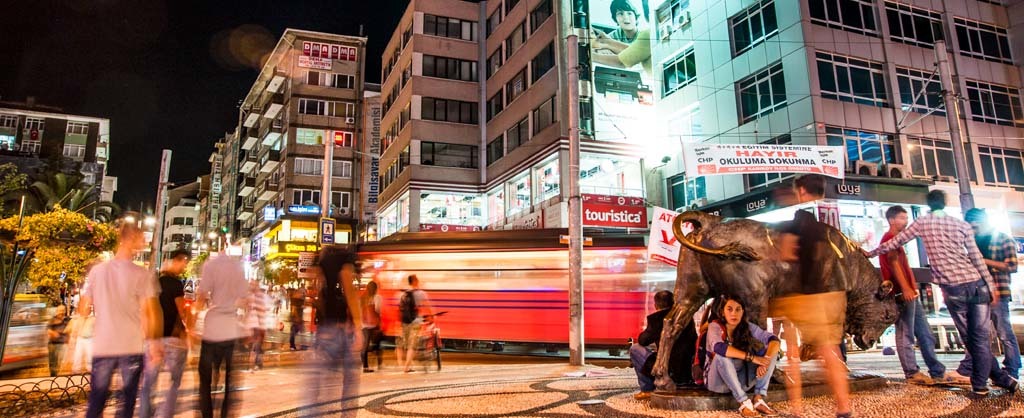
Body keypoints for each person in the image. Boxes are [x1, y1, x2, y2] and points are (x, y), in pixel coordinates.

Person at [866, 190, 1017, 395]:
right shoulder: (960, 225)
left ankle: (982, 384)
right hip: (977, 283)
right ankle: (998, 380)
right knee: (980, 338)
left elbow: (893, 243)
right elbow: (976, 259)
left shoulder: (922, 223)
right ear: (944, 203)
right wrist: (990, 285)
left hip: (954, 288)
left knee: (971, 339)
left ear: (929, 204)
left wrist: (869, 253)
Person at [771, 174, 852, 418]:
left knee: (792, 351)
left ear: (802, 191)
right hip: (832, 295)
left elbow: (785, 257)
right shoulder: (823, 224)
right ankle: (843, 407)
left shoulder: (797, 221)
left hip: (802, 297)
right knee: (831, 352)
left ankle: (796, 408)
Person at [79, 219, 163, 418]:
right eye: (141, 236)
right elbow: (149, 312)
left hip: (103, 345)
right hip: (130, 346)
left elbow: (83, 309)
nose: (144, 240)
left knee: (96, 401)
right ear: (131, 238)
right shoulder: (141, 274)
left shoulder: (97, 271)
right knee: (126, 403)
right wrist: (154, 343)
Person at [879, 206, 952, 386]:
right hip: (901, 293)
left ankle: (937, 371)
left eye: (906, 218)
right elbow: (894, 264)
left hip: (910, 292)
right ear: (891, 220)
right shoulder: (889, 239)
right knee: (906, 333)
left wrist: (912, 287)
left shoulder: (898, 240)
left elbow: (904, 267)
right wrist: (905, 288)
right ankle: (911, 372)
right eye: (902, 218)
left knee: (925, 333)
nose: (906, 221)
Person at [959, 208, 1020, 379]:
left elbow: (1012, 266)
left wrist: (983, 261)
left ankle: (1012, 369)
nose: (973, 229)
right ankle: (970, 368)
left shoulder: (1003, 239)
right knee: (977, 333)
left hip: (999, 291)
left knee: (1004, 333)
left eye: (975, 225)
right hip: (976, 293)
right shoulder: (970, 242)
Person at [703, 295, 780, 417]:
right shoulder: (715, 326)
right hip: (718, 383)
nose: (734, 313)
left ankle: (758, 398)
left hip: (740, 380)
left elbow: (774, 339)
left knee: (771, 350)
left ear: (742, 312)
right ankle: (743, 402)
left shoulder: (747, 326)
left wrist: (766, 360)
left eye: (738, 309)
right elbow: (719, 347)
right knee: (721, 356)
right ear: (722, 312)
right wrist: (753, 358)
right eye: (729, 309)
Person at [306, 247, 362, 417]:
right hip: (341, 330)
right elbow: (349, 290)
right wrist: (358, 326)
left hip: (325, 329)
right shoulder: (346, 260)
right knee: (350, 377)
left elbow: (318, 295)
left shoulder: (322, 261)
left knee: (324, 378)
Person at [195, 253, 250, 418]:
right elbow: (245, 300)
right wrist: (246, 324)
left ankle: (207, 414)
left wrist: (191, 321)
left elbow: (202, 295)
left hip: (212, 329)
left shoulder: (210, 265)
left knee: (205, 379)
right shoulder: (238, 267)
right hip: (230, 329)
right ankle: (226, 414)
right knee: (230, 380)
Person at [139, 249, 192, 418]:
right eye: (184, 262)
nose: (184, 266)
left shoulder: (155, 282)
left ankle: (145, 413)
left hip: (153, 337)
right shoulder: (175, 284)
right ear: (179, 260)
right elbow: (182, 310)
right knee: (174, 381)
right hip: (173, 339)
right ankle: (164, 415)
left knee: (149, 381)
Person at [629, 290, 698, 400]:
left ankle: (647, 389)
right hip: (687, 371)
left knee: (635, 348)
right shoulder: (686, 318)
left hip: (668, 370)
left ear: (656, 305)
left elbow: (643, 340)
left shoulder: (657, 318)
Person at [397, 274, 433, 373]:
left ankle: (409, 364)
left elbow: (399, 308)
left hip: (404, 321)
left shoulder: (403, 293)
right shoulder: (421, 293)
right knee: (412, 346)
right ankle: (406, 367)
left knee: (407, 344)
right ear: (415, 281)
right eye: (417, 279)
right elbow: (428, 306)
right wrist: (432, 317)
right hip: (415, 321)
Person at [244, 282, 271, 371]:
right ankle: (256, 364)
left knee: (257, 346)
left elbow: (263, 310)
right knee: (255, 346)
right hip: (254, 325)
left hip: (258, 325)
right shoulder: (252, 297)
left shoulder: (260, 297)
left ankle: (257, 364)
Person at [361, 280, 384, 373]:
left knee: (365, 346)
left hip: (364, 325)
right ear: (376, 289)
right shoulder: (377, 297)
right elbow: (378, 310)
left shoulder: (363, 298)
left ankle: (365, 367)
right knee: (377, 344)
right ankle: (379, 364)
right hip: (374, 325)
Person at [47, 304, 70, 377]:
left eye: (63, 310)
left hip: (63, 344)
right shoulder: (52, 320)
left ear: (65, 311)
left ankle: (59, 376)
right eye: (60, 310)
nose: (61, 312)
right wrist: (53, 333)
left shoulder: (68, 320)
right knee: (53, 362)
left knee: (61, 362)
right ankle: (53, 376)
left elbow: (72, 328)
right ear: (57, 311)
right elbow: (48, 330)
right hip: (53, 343)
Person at [289, 286, 306, 350]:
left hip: (298, 318)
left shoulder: (299, 300)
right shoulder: (296, 300)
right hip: (296, 318)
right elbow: (294, 309)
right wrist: (297, 317)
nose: (302, 294)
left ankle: (295, 345)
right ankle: (292, 345)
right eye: (301, 293)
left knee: (298, 331)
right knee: (294, 331)